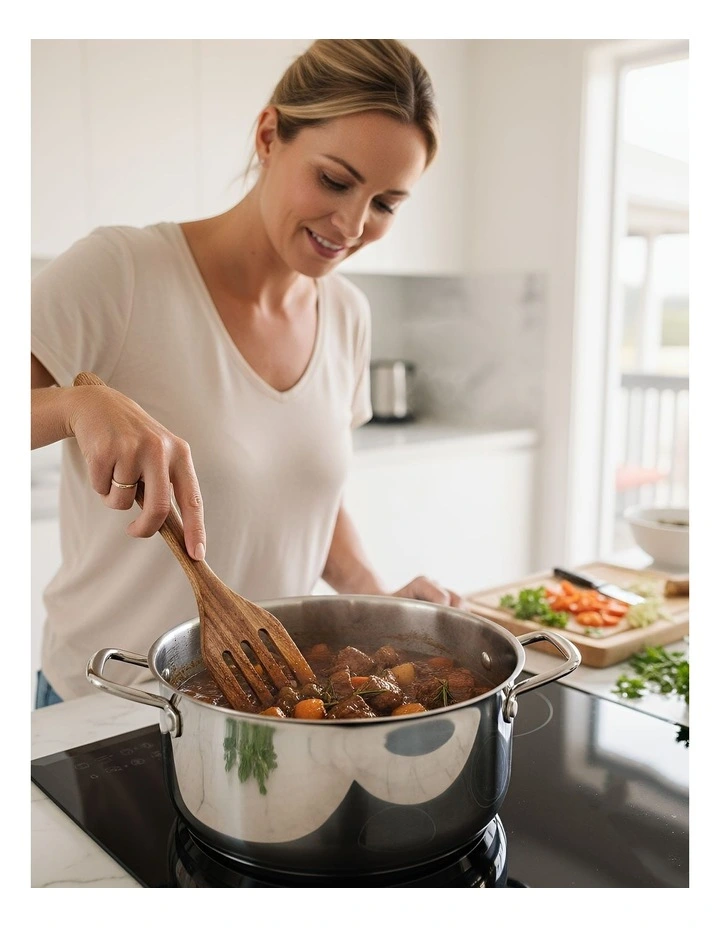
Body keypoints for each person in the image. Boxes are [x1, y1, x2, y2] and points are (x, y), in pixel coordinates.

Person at [31, 39, 463, 709]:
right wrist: (74, 408)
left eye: (385, 203)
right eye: (335, 180)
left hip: (267, 706)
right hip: (104, 704)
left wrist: (372, 596)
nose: (351, 224)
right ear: (269, 135)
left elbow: (300, 494)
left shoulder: (346, 313)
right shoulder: (120, 272)